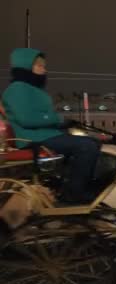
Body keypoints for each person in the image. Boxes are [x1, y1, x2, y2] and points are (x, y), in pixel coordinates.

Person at [1, 48, 101, 204]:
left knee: (93, 142)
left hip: (46, 135)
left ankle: (75, 186)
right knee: (86, 146)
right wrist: (57, 119)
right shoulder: (17, 89)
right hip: (32, 138)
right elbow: (27, 119)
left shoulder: (33, 89)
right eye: (39, 66)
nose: (44, 69)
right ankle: (73, 195)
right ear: (26, 66)